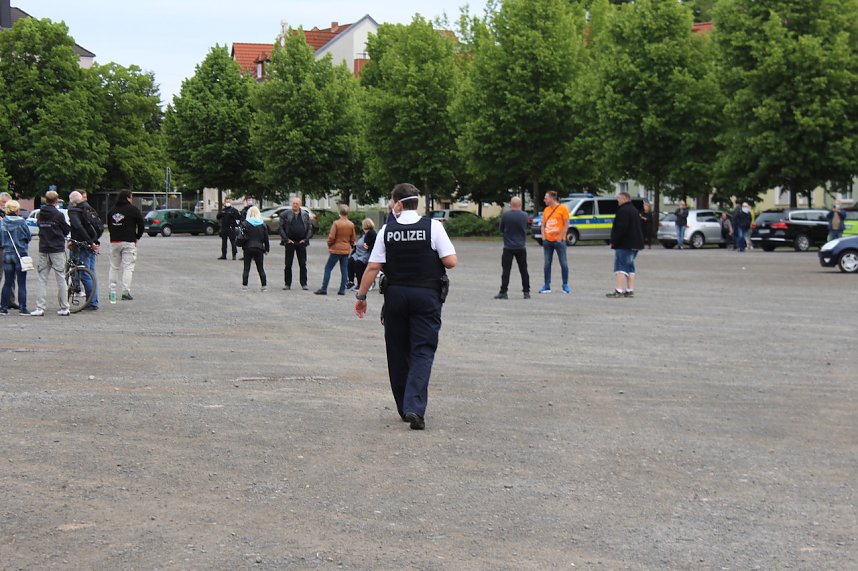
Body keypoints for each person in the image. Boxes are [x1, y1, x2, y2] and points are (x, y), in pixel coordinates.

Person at [353, 183, 457, 430]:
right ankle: (415, 407)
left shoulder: (387, 230)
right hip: (426, 295)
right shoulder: (433, 227)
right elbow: (450, 261)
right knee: (422, 350)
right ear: (416, 202)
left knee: (397, 351)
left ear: (398, 203)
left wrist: (361, 296)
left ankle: (403, 407)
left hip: (396, 296)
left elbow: (373, 267)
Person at [30, 190, 71, 316]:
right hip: (57, 249)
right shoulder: (58, 214)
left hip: (43, 248)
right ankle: (64, 307)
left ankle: (40, 307)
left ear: (45, 200)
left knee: (42, 279)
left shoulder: (40, 214)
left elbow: (39, 226)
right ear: (56, 200)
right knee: (61, 278)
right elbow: (66, 230)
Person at [107, 190, 145, 300]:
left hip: (115, 241)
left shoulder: (112, 210)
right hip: (129, 241)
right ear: (128, 197)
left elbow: (109, 226)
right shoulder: (133, 210)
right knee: (128, 267)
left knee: (114, 267)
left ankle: (112, 292)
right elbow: (141, 225)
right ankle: (125, 292)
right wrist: (137, 237)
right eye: (131, 198)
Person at [606, 192, 645, 298]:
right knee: (630, 266)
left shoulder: (623, 211)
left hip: (625, 244)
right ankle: (630, 289)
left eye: (619, 198)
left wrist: (614, 240)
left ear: (624, 199)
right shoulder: (635, 210)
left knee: (621, 266)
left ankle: (618, 290)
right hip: (635, 243)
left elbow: (620, 228)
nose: (617, 200)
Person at [68, 190, 101, 310]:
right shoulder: (89, 208)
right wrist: (94, 242)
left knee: (84, 274)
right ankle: (94, 300)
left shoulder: (74, 211)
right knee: (92, 273)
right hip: (92, 244)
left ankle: (92, 302)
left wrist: (90, 242)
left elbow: (78, 227)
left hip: (82, 245)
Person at [315, 204, 356, 296]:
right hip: (346, 249)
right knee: (344, 270)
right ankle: (342, 289)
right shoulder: (351, 224)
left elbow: (331, 237)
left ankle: (324, 288)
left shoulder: (336, 223)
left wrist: (329, 244)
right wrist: (350, 245)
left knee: (328, 268)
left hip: (336, 249)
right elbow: (353, 238)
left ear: (339, 212)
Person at [495, 196, 530, 299]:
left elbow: (501, 229)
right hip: (521, 246)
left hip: (508, 247)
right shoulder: (525, 215)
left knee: (506, 270)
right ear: (520, 205)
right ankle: (526, 292)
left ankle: (503, 291)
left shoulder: (505, 215)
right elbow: (527, 227)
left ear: (511, 204)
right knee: (523, 270)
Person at [0, 200, 32, 315]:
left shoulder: (3, 223)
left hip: (7, 253)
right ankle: (22, 308)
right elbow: (28, 237)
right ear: (17, 210)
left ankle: (3, 308)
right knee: (21, 282)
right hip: (20, 253)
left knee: (8, 282)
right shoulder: (22, 222)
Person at [278, 197, 313, 290]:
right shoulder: (285, 214)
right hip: (290, 242)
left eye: (297, 203)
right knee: (288, 264)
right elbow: (280, 228)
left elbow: (310, 228)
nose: (295, 205)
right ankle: (287, 284)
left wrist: (305, 239)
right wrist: (286, 239)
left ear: (300, 204)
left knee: (303, 264)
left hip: (301, 242)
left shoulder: (305, 215)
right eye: (293, 203)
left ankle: (304, 283)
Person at [539, 191, 570, 294]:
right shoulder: (546, 210)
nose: (544, 200)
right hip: (548, 240)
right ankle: (546, 285)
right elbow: (543, 225)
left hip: (559, 241)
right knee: (547, 263)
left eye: (546, 198)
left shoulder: (563, 209)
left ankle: (565, 285)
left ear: (552, 198)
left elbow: (566, 224)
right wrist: (544, 238)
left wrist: (560, 237)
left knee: (563, 263)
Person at [239, 206, 269, 290]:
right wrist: (267, 249)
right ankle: (264, 285)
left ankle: (245, 285)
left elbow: (241, 236)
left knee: (246, 267)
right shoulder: (262, 224)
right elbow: (266, 238)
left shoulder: (245, 223)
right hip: (259, 247)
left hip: (248, 247)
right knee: (260, 267)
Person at [347, 218, 376, 291]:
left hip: (366, 254)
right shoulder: (363, 234)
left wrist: (367, 246)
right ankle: (351, 281)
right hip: (358, 253)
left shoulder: (372, 233)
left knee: (358, 263)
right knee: (350, 261)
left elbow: (372, 246)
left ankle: (360, 283)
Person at [0, 191, 17, 309]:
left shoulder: (9, 215)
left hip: (10, 247)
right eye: (3, 202)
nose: (5, 205)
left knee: (11, 275)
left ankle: (10, 300)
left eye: (7, 203)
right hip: (1, 247)